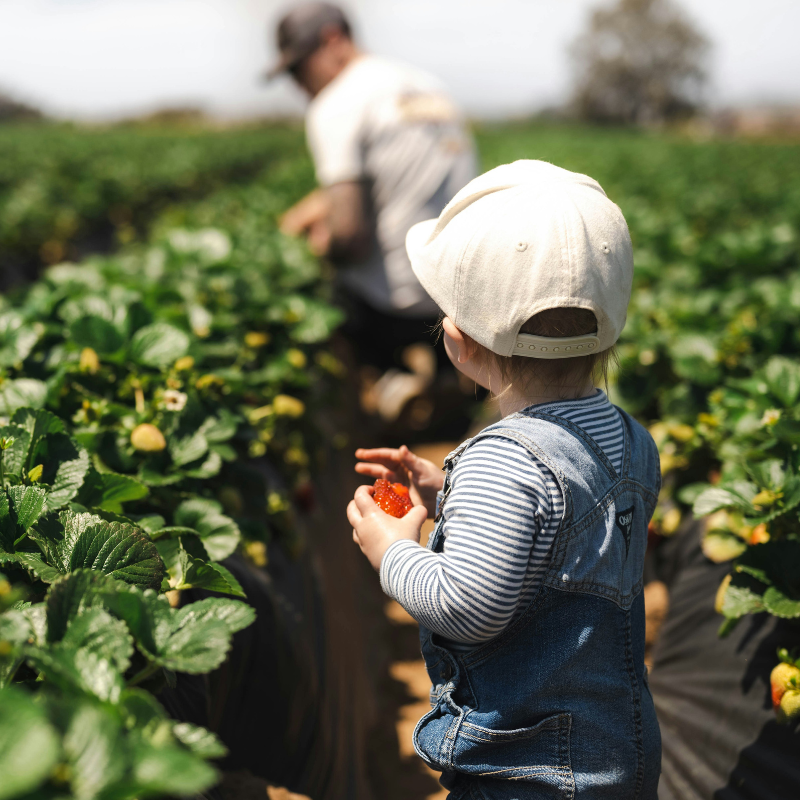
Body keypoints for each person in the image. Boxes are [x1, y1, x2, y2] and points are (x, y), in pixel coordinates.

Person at [347, 160, 662, 799]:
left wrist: (393, 550)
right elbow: (563, 533)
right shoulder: (631, 440)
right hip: (614, 754)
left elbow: (468, 608)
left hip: (526, 770)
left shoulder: (506, 462)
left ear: (459, 344)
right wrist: (451, 496)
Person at [264, 2, 476, 422]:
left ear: (331, 40)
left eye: (298, 68)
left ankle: (385, 381)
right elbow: (398, 178)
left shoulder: (338, 102)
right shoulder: (425, 86)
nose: (298, 84)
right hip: (458, 292)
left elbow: (350, 236)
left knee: (322, 281)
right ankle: (449, 372)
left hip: (392, 305)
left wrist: (317, 244)